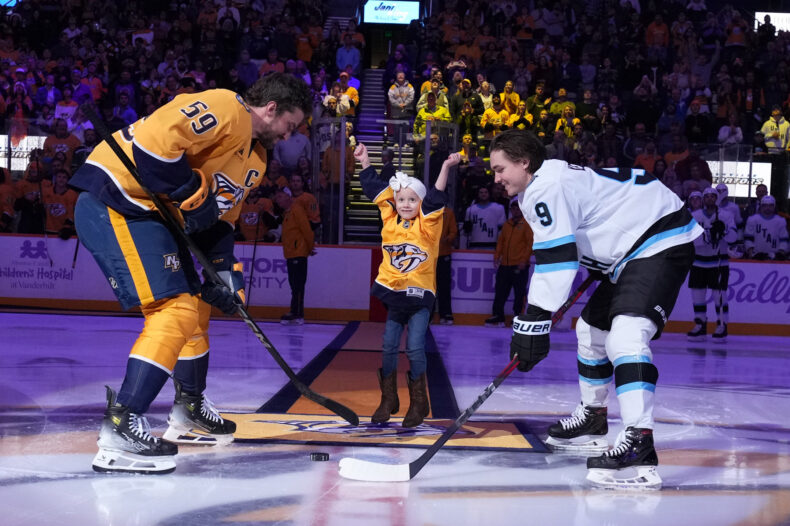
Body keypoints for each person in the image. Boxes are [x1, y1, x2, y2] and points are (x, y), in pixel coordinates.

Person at [68, 73, 311, 474]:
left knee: (196, 310)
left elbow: (220, 221)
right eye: (290, 125)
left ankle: (188, 408)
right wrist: (191, 193)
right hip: (117, 202)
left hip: (153, 216)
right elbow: (152, 149)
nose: (288, 136)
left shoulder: (257, 158)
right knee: (174, 311)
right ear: (271, 110)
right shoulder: (225, 107)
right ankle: (120, 426)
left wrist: (225, 274)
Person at [488, 128, 702, 489]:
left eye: (499, 169)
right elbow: (582, 232)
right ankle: (594, 416)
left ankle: (639, 442)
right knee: (590, 331)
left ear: (524, 162)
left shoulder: (545, 187)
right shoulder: (537, 185)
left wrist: (534, 320)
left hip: (658, 241)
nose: (495, 178)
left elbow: (557, 260)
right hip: (632, 248)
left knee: (627, 337)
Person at [353, 142, 460, 427]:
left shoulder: (429, 227)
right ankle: (388, 399)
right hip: (395, 298)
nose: (406, 204)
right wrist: (365, 160)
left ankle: (419, 402)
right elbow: (376, 190)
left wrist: (446, 166)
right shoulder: (389, 220)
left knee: (414, 348)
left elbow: (436, 196)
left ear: (420, 203)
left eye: (412, 200)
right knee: (388, 347)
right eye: (402, 200)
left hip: (420, 298)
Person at [686, 187, 738, 343]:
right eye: (706, 196)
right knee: (697, 294)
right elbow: (690, 239)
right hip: (698, 261)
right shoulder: (694, 216)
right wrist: (708, 236)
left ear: (717, 198)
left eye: (712, 196)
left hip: (719, 261)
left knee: (719, 295)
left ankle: (722, 324)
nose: (709, 198)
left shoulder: (727, 216)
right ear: (703, 199)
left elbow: (733, 238)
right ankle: (700, 324)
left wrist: (723, 232)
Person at [484, 198, 533, 328]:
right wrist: (497, 256)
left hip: (519, 265)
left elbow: (530, 244)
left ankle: (517, 315)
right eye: (513, 208)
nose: (515, 210)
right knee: (500, 291)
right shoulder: (507, 224)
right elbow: (501, 242)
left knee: (519, 292)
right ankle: (498, 315)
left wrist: (524, 260)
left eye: (517, 208)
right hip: (505, 264)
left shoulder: (526, 224)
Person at [275, 187, 316, 325]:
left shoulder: (296, 210)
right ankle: (295, 311)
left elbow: (307, 230)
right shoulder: (287, 213)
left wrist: (309, 248)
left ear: (288, 196)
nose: (277, 200)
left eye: (280, 196)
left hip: (298, 253)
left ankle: (297, 313)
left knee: (297, 285)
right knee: (294, 285)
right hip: (292, 254)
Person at [744, 195, 789, 260]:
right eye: (765, 205)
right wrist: (752, 253)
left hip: (775, 258)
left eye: (770, 205)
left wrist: (781, 253)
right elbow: (748, 239)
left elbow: (784, 240)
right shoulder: (752, 219)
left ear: (774, 206)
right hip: (757, 257)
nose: (767, 208)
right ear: (761, 206)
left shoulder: (781, 221)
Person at [437, 205, 458, 325]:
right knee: (430, 288)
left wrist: (449, 238)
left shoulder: (449, 213)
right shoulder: (427, 211)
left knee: (444, 286)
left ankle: (446, 314)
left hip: (444, 253)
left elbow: (453, 231)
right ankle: (428, 315)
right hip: (430, 256)